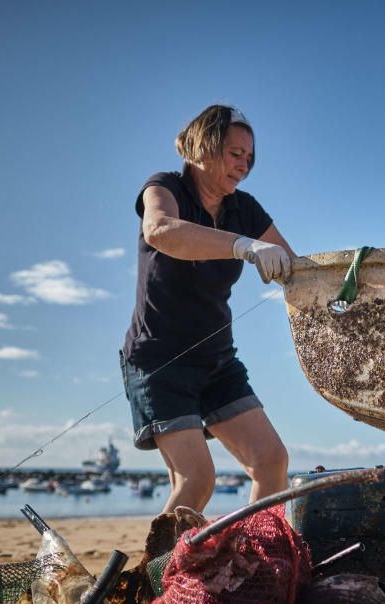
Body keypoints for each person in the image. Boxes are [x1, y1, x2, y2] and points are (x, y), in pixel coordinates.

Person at [120, 104, 295, 516]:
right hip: (158, 361)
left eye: (249, 158)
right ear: (203, 147)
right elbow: (161, 230)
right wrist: (242, 245)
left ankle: (259, 567)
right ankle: (163, 578)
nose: (244, 165)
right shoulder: (164, 187)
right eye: (236, 153)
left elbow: (294, 268)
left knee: (271, 462)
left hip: (218, 362)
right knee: (196, 480)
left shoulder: (245, 208)